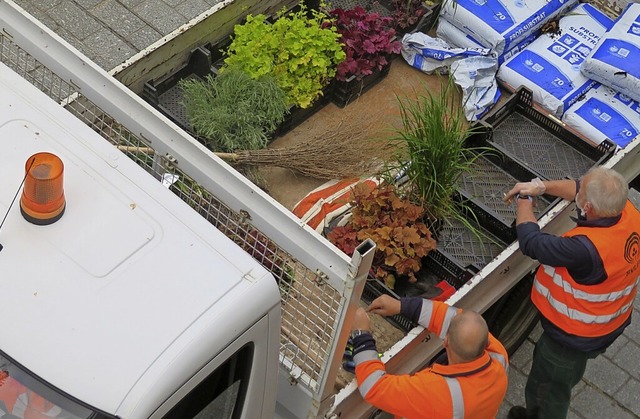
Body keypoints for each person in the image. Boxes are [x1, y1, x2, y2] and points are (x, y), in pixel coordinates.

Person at [503, 167, 640, 419]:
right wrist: (541, 187)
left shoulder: (585, 249)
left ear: (587, 208)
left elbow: (531, 243)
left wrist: (524, 199)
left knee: (548, 389)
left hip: (570, 339)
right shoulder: (625, 210)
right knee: (556, 378)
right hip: (607, 324)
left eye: (582, 193)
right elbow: (579, 188)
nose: (576, 189)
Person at [350, 294, 508, 418]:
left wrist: (361, 334)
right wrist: (402, 306)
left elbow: (374, 387)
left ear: (445, 341)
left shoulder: (436, 394)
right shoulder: (498, 356)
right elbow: (452, 318)